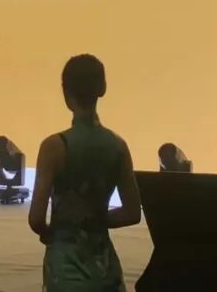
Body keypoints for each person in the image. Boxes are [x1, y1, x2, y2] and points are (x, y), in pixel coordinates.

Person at [29, 54, 142, 292]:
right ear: (102, 89)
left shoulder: (54, 147)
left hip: (65, 270)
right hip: (106, 271)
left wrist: (56, 231)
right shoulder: (118, 146)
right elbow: (132, 213)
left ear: (65, 92)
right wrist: (95, 220)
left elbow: (36, 219)